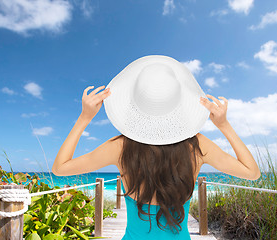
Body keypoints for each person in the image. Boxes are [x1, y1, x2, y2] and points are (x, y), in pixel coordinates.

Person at [52, 55, 261, 239]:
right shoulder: (197, 146)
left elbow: (60, 168)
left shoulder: (121, 147)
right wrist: (224, 125)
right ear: (178, 104)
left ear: (135, 104)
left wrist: (84, 118)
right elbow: (252, 172)